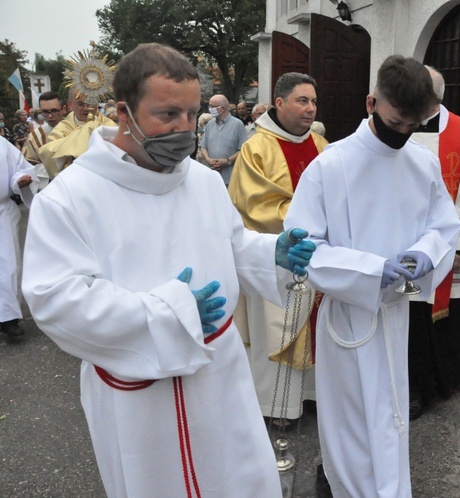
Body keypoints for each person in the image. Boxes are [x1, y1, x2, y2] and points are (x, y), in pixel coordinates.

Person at [21, 42, 316, 498]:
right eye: (167, 115)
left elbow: (232, 245)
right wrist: (169, 312)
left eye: (190, 114)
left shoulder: (200, 181)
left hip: (220, 374)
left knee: (237, 480)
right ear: (124, 112)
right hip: (140, 387)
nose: (183, 129)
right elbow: (56, 299)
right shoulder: (70, 197)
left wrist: (270, 253)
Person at [284, 55, 460, 497]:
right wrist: (367, 269)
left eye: (414, 125)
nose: (404, 133)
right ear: (371, 104)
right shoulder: (331, 165)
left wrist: (425, 253)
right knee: (350, 420)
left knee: (390, 416)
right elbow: (302, 249)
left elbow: (443, 226)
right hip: (348, 317)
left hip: (397, 312)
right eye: (397, 121)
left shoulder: (422, 163)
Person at [228, 72, 328, 425]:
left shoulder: (320, 145)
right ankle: (276, 407)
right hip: (274, 257)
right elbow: (253, 206)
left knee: (317, 324)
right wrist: (314, 224)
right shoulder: (257, 148)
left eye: (314, 102)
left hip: (318, 254)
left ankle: (311, 395)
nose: (310, 109)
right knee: (275, 328)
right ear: (280, 103)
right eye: (303, 101)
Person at [407, 66, 460, 419]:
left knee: (446, 314)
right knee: (410, 312)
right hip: (407, 240)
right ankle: (414, 384)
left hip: (447, 239)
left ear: (434, 96)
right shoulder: (399, 124)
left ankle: (447, 379)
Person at [1, 137, 38, 338]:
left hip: (2, 215)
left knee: (8, 266)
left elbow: (20, 169)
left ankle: (8, 318)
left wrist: (20, 181)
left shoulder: (2, 145)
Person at [38, 85, 117, 176]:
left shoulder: (110, 126)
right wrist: (84, 133)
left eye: (91, 103)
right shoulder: (62, 129)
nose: (87, 108)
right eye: (81, 104)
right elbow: (50, 155)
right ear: (70, 105)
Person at [199, 94, 246, 186]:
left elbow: (243, 149)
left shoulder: (238, 124)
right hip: (211, 176)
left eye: (213, 106)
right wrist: (208, 159)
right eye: (209, 106)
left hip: (230, 178)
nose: (210, 109)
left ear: (223, 108)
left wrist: (227, 161)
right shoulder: (210, 124)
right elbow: (203, 146)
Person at [22, 91, 65, 189]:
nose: (50, 116)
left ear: (63, 109)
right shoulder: (34, 136)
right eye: (45, 112)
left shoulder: (75, 130)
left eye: (54, 110)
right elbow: (27, 165)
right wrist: (54, 171)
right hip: (48, 187)